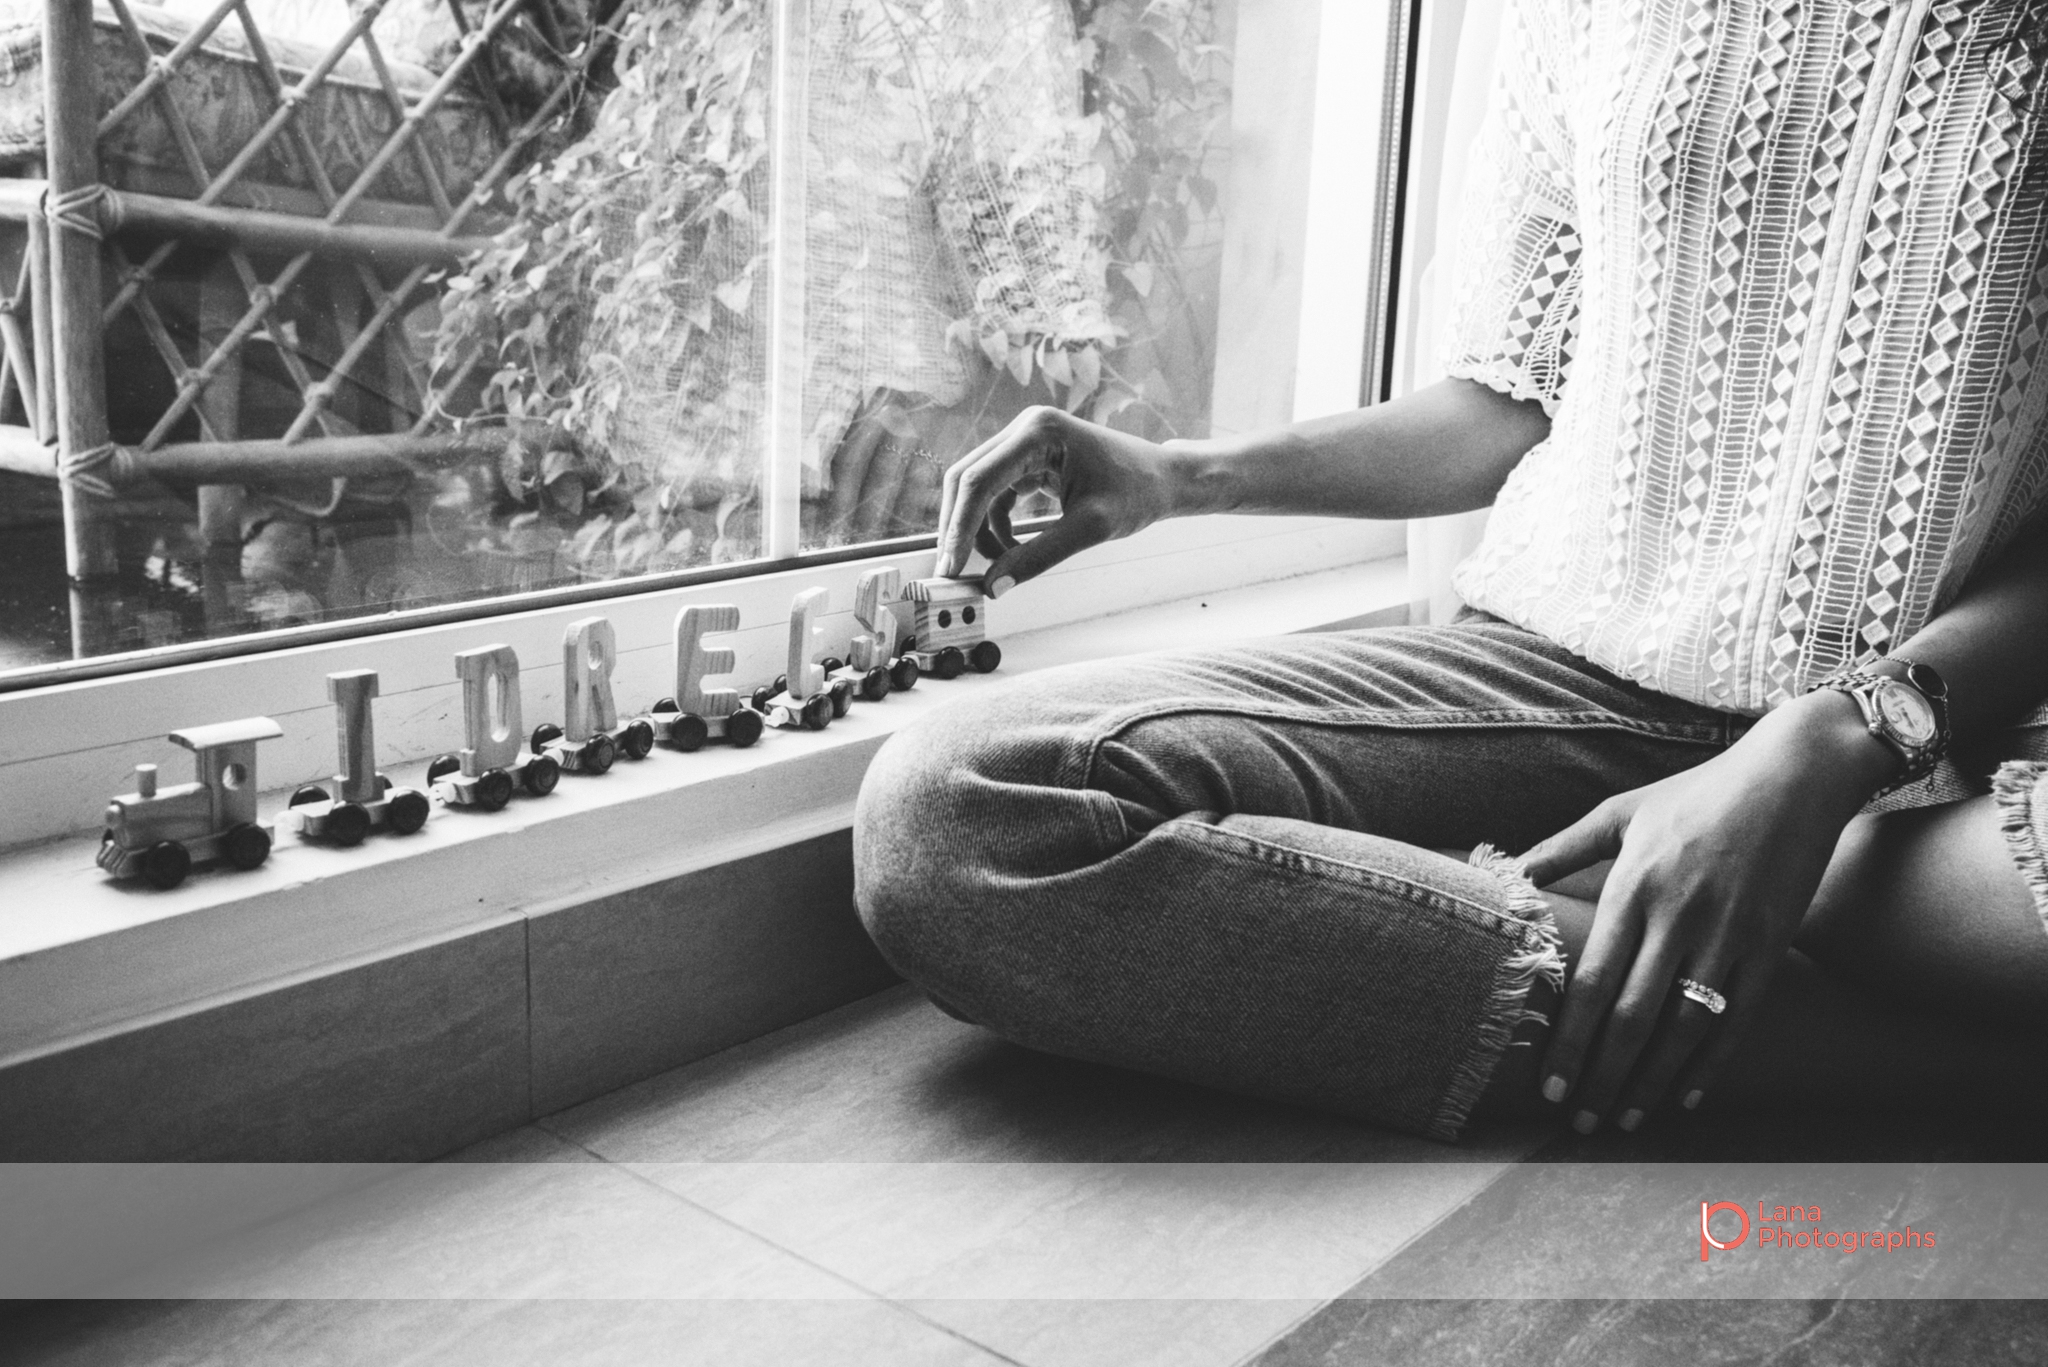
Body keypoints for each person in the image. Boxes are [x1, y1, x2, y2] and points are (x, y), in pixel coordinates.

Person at [851, 0, 2048, 1142]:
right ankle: (1933, 1049)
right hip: (1564, 687)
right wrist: (1178, 477)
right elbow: (1502, 398)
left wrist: (1822, 747)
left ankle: (1671, 908)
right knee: (959, 815)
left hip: (1949, 750)